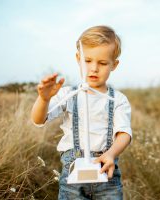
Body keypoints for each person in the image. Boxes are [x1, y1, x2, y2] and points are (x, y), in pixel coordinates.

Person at [31, 25, 132, 199]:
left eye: (102, 63)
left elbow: (124, 133)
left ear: (114, 65)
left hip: (105, 172)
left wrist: (111, 154)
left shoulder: (118, 99)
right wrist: (44, 99)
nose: (94, 68)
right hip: (73, 177)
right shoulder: (67, 94)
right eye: (88, 61)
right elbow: (39, 119)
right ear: (78, 58)